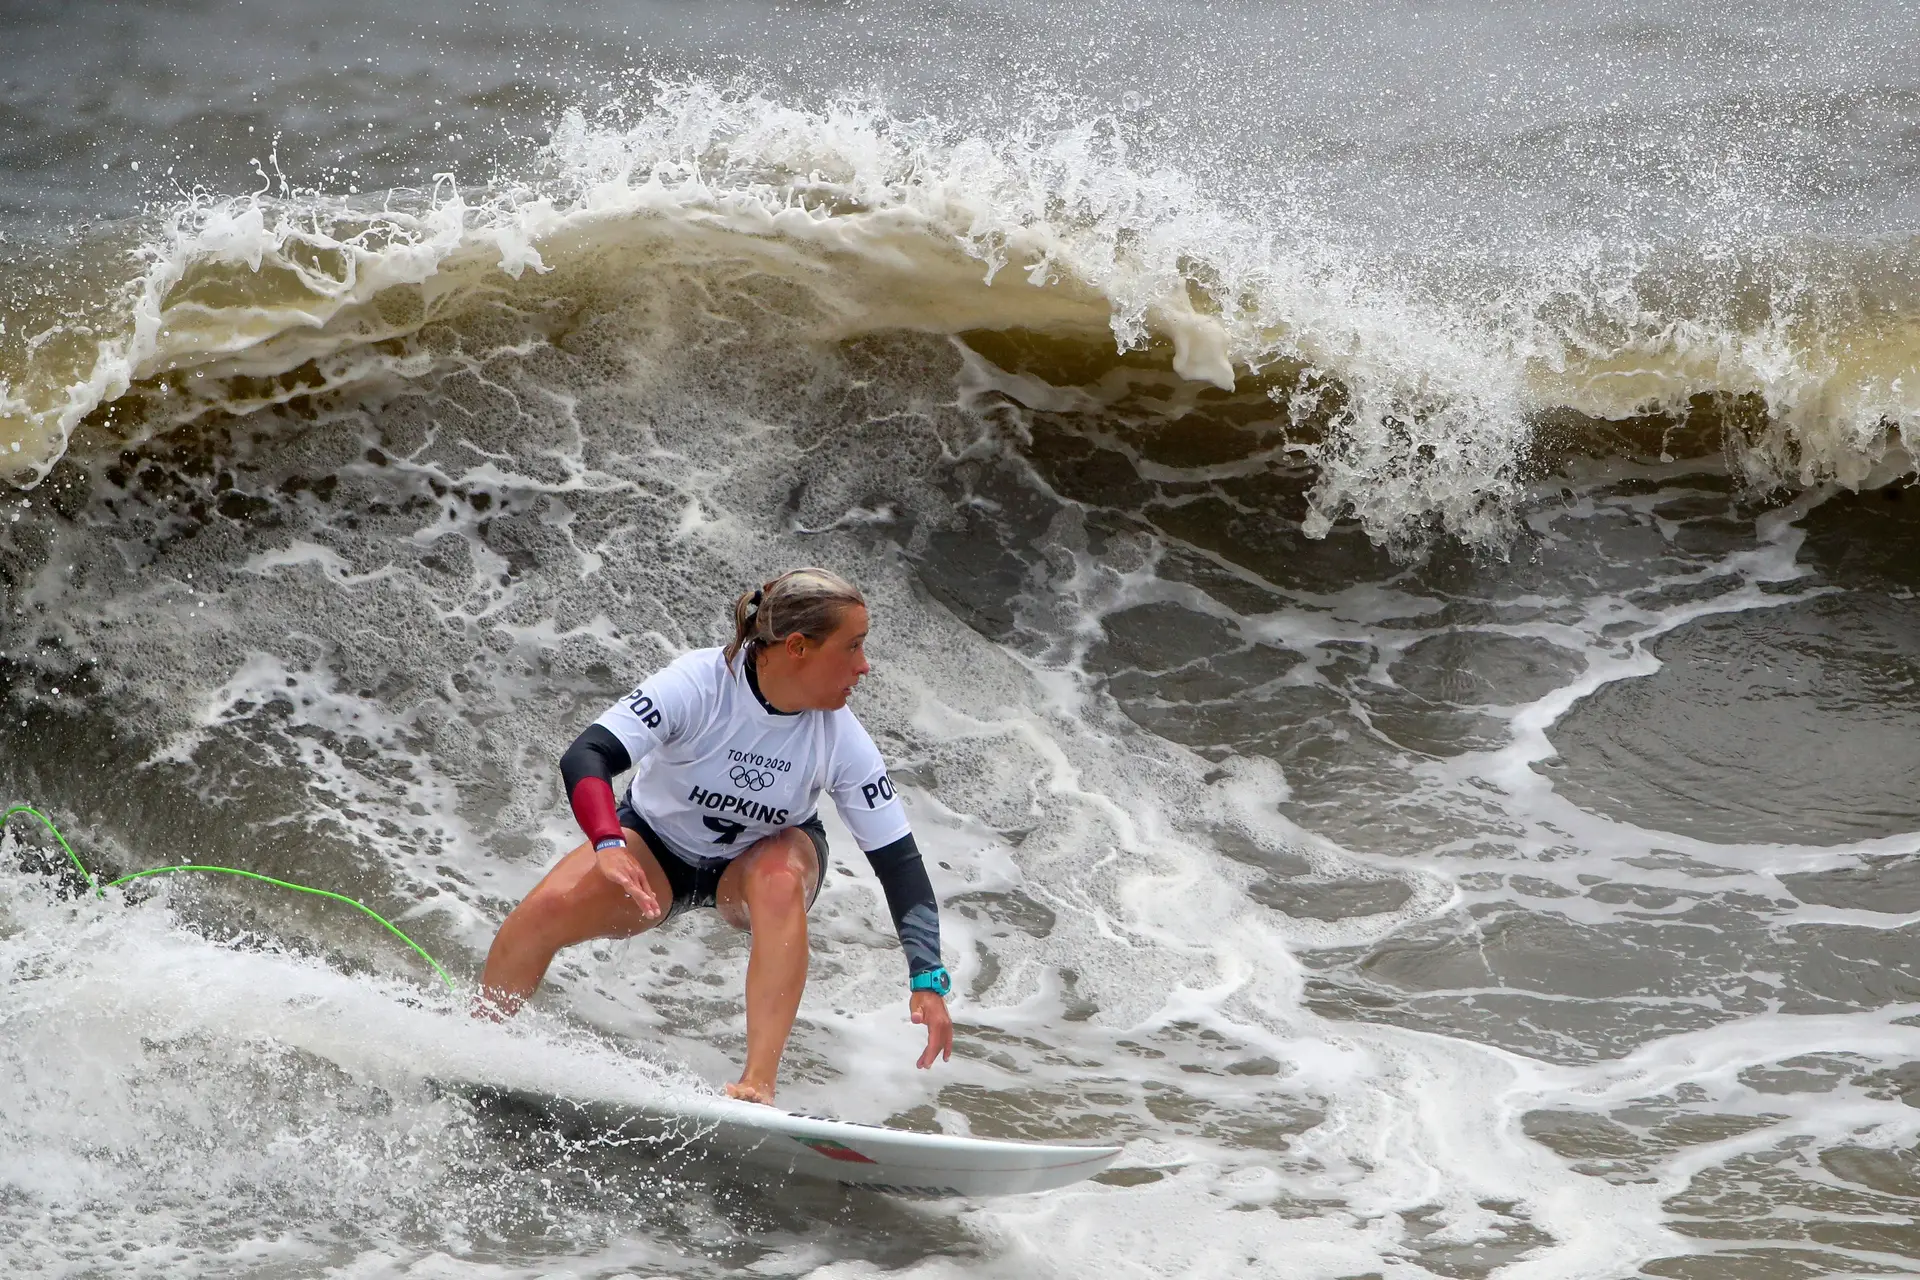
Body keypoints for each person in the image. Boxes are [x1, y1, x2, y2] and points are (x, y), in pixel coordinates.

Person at [479, 567, 953, 1104]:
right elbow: (586, 756)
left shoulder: (843, 739)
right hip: (655, 847)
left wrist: (928, 979)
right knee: (546, 911)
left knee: (779, 877)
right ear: (797, 646)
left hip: (755, 863)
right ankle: (476, 1039)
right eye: (853, 648)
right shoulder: (700, 684)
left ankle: (757, 1086)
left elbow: (900, 863)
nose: (864, 667)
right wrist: (608, 844)